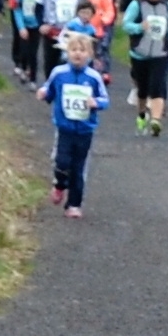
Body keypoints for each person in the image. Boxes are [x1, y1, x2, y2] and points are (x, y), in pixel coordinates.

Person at [38, 28, 111, 217]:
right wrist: (44, 93)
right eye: (73, 50)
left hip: (85, 129)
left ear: (90, 54)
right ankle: (60, 184)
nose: (78, 54)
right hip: (65, 127)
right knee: (62, 162)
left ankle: (74, 205)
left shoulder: (94, 77)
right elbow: (49, 90)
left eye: (82, 50)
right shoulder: (59, 73)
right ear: (67, 53)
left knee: (78, 168)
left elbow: (105, 99)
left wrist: (96, 103)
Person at [123, 0, 168, 136]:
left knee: (158, 86)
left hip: (160, 53)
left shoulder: (167, 7)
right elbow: (126, 25)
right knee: (142, 89)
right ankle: (141, 114)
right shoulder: (136, 5)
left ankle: (156, 120)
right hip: (139, 54)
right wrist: (139, 27)